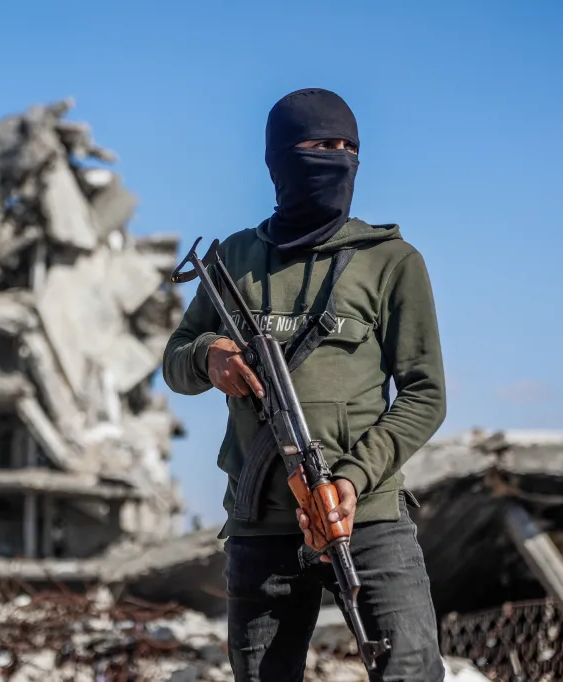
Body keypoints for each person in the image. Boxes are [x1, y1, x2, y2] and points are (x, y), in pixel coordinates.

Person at [162, 88, 447, 682]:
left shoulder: (391, 261)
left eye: (349, 149)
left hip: (366, 518)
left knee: (411, 668)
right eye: (321, 146)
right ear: (280, 160)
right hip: (261, 524)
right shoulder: (233, 258)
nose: (338, 159)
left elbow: (425, 394)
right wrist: (208, 356)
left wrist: (353, 477)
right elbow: (174, 362)